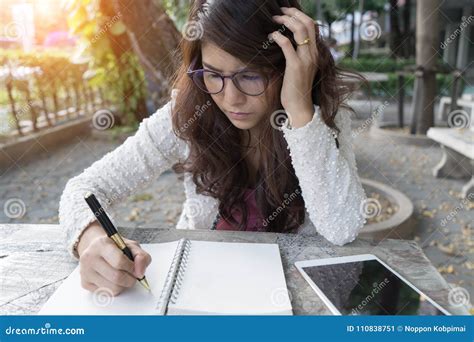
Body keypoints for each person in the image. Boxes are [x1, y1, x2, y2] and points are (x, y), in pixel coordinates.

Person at [59, 0, 367, 296]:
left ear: (288, 65)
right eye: (213, 74)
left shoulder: (320, 118)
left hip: (290, 298)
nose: (231, 98)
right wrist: (92, 240)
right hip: (198, 290)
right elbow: (83, 188)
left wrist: (299, 110)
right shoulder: (187, 114)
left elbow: (342, 227)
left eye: (250, 75)